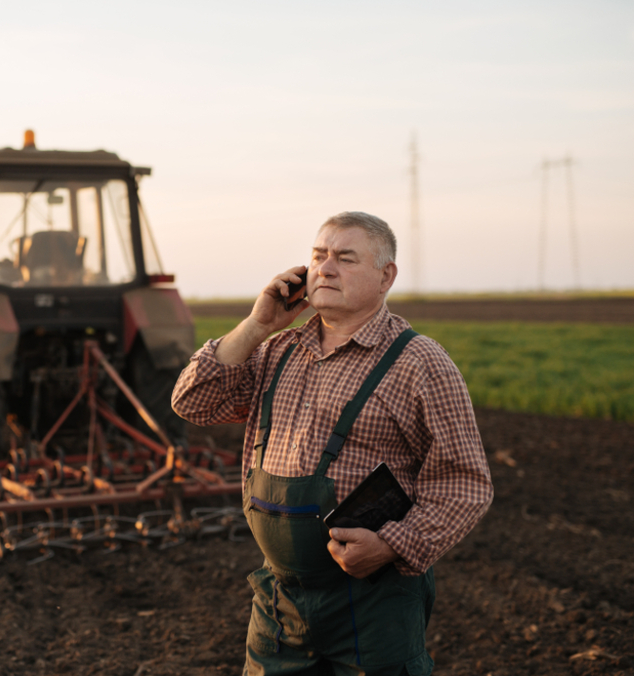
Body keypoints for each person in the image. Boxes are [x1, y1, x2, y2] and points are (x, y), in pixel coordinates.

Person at [171, 212, 493, 675]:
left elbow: (465, 484)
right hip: (279, 602)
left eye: (345, 258)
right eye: (319, 256)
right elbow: (193, 402)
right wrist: (258, 324)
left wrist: (391, 544)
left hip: (374, 601)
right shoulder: (276, 352)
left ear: (386, 276)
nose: (326, 268)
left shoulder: (420, 362)